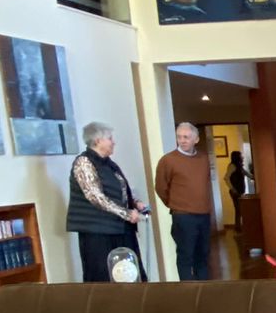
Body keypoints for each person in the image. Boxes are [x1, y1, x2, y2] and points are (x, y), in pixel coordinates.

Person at [66, 121, 149, 282]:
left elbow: (119, 190)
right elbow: (95, 197)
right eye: (110, 138)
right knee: (103, 275)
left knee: (130, 272)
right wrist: (127, 213)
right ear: (98, 141)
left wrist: (135, 203)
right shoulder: (83, 163)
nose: (113, 142)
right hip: (98, 232)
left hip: (119, 228)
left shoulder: (109, 164)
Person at [155, 120, 213, 281]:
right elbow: (161, 187)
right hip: (183, 216)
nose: (182, 140)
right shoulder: (168, 160)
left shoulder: (203, 159)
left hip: (203, 214)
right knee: (185, 255)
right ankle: (187, 291)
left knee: (203, 255)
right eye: (179, 137)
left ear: (196, 139)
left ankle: (205, 290)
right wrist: (176, 205)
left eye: (186, 137)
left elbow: (205, 183)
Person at [226, 149, 248, 233]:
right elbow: (226, 178)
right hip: (235, 192)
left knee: (239, 210)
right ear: (237, 157)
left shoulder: (239, 166)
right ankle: (238, 228)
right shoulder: (232, 166)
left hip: (240, 191)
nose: (242, 157)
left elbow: (247, 173)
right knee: (239, 210)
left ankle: (239, 227)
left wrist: (253, 177)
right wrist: (233, 189)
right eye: (240, 156)